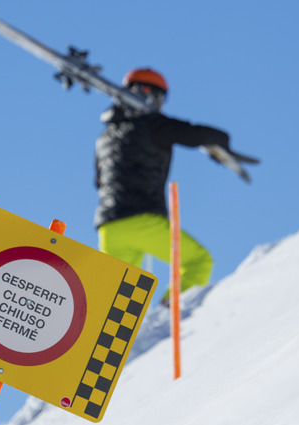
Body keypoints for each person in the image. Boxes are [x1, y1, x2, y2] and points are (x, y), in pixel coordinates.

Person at [94, 67, 231, 299]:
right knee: (198, 261)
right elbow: (196, 133)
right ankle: (166, 320)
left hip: (109, 227)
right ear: (146, 93)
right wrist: (221, 145)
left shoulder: (105, 136)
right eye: (158, 98)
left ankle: (115, 334)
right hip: (142, 220)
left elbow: (99, 181)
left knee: (118, 298)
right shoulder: (153, 125)